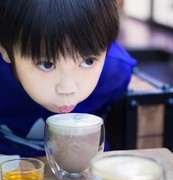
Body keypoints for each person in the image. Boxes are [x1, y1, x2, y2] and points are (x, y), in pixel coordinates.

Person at [0, 0, 137, 157]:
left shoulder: (115, 73)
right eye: (46, 64)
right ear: (4, 49)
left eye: (88, 62)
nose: (68, 89)